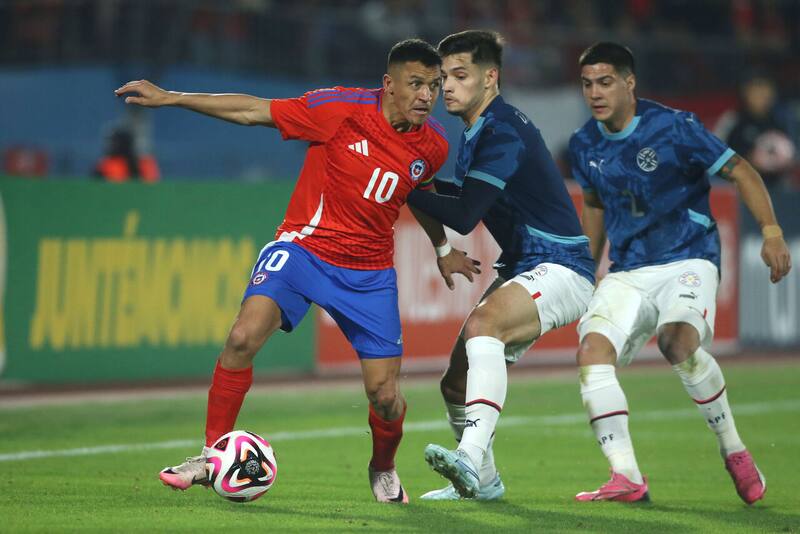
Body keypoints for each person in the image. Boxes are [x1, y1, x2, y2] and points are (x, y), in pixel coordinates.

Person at [115, 39, 481, 504]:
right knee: (242, 337)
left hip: (368, 273)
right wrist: (172, 97)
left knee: (386, 397)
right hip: (304, 249)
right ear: (388, 84)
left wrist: (443, 246)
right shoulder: (339, 109)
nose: (427, 96)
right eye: (416, 84)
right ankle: (210, 456)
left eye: (434, 86)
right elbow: (253, 110)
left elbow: (419, 190)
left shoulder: (433, 145)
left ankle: (383, 467)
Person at [568, 42, 791, 504]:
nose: (595, 93)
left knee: (677, 343)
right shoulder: (583, 143)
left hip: (688, 258)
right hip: (628, 269)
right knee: (592, 351)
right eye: (588, 84)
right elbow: (592, 204)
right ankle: (626, 476)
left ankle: (734, 450)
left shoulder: (673, 126)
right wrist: (585, 271)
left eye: (605, 82)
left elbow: (743, 171)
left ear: (630, 83)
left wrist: (771, 232)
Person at [405, 30, 596, 500]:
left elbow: (466, 215)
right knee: (455, 381)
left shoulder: (502, 130)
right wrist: (417, 184)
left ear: (490, 78)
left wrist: (401, 184)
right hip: (525, 266)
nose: (446, 86)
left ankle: (468, 458)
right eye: (442, 77)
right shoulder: (479, 128)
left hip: (563, 265)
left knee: (484, 325)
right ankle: (485, 483)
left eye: (459, 75)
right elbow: (464, 196)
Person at [718, 74, 797, 189]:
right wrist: (747, 162)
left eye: (764, 89)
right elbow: (716, 159)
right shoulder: (733, 120)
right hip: (743, 188)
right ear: (745, 93)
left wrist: (787, 158)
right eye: (755, 90)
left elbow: (796, 152)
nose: (760, 95)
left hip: (782, 186)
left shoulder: (785, 119)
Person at [94, 127, 160, 182]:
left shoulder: (143, 163)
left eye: (115, 142)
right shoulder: (106, 164)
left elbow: (151, 184)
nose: (111, 146)